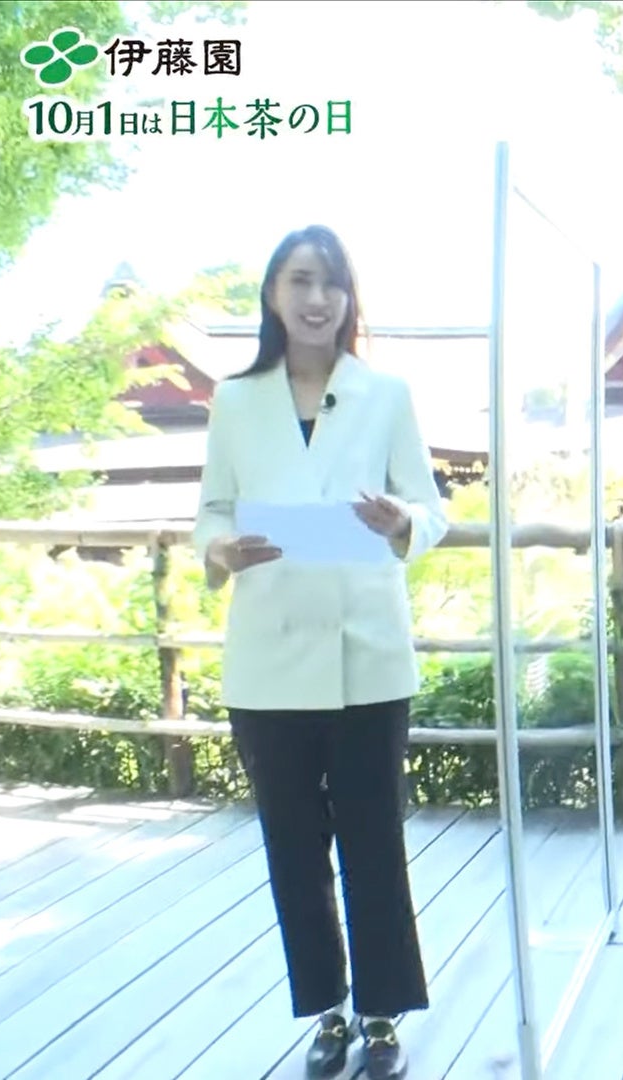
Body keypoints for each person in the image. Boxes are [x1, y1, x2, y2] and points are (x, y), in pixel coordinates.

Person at [193, 225, 448, 1080]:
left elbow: (430, 507)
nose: (316, 299)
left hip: (367, 656)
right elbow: (212, 510)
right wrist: (220, 549)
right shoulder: (235, 401)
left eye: (332, 283)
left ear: (349, 299)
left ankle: (382, 1013)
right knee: (294, 853)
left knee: (374, 843)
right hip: (268, 661)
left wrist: (402, 521)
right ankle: (328, 1010)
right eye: (301, 280)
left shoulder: (385, 394)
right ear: (272, 294)